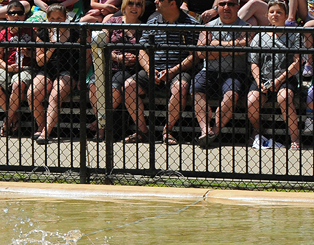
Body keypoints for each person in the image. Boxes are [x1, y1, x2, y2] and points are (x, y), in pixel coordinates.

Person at [122, 0, 199, 144]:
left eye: (160, 0)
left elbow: (195, 55)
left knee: (180, 87)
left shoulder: (191, 23)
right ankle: (142, 131)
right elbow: (142, 51)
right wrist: (150, 70)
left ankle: (167, 131)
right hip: (154, 69)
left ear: (172, 3)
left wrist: (173, 70)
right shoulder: (152, 20)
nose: (155, 1)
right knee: (128, 86)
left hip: (179, 70)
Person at [191, 0, 249, 149]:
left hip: (235, 72)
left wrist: (216, 44)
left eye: (231, 3)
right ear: (217, 7)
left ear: (238, 6)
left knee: (231, 94)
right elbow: (201, 52)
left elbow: (244, 47)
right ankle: (205, 131)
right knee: (196, 89)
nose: (226, 7)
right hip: (209, 71)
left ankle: (214, 132)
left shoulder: (246, 27)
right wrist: (232, 47)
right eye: (222, 3)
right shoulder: (209, 26)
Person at [246, 0, 302, 149]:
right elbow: (254, 63)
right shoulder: (259, 36)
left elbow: (297, 62)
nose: (275, 15)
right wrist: (259, 81)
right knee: (252, 101)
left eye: (279, 12)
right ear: (267, 15)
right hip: (263, 78)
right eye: (272, 12)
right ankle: (257, 131)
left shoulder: (294, 35)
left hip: (285, 78)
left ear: (285, 16)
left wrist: (278, 80)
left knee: (284, 98)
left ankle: (295, 137)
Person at [86, 0, 142, 140]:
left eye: (138, 4)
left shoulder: (143, 26)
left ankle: (99, 125)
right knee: (93, 85)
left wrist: (134, 58)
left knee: (115, 87)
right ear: (124, 6)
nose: (134, 7)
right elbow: (100, 46)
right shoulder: (112, 21)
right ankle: (101, 124)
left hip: (127, 69)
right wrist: (117, 57)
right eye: (131, 3)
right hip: (107, 63)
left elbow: (144, 52)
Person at [30, 5, 80, 143]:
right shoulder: (43, 34)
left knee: (55, 95)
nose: (56, 21)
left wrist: (81, 77)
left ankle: (46, 133)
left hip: (69, 70)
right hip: (48, 69)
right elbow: (40, 61)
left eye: (59, 18)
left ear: (65, 18)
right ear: (48, 19)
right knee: (33, 94)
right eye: (53, 18)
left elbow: (86, 57)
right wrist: (51, 48)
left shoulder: (75, 33)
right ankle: (41, 126)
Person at [0, 0, 35, 137]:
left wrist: (29, 53)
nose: (16, 16)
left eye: (20, 13)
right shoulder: (2, 34)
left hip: (26, 67)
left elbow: (39, 55)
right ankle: (14, 116)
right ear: (7, 16)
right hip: (7, 67)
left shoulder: (31, 32)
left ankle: (8, 120)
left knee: (18, 84)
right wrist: (7, 67)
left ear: (24, 16)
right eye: (12, 13)